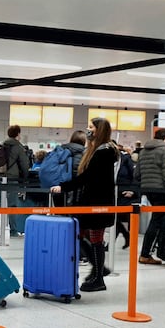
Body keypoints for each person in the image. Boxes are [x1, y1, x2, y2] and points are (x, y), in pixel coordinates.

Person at [51, 117, 118, 292]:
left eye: (91, 127)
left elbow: (88, 177)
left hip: (98, 203)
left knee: (95, 237)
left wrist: (63, 187)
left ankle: (98, 277)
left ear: (100, 130)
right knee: (82, 234)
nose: (88, 130)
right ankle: (99, 270)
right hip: (93, 201)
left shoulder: (103, 152)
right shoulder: (99, 150)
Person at [135, 128, 165, 264]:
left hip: (148, 190)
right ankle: (146, 254)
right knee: (157, 221)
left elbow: (137, 174)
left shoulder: (143, 151)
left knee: (158, 220)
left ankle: (153, 252)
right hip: (162, 191)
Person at [0, 125, 30, 237]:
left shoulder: (2, 145)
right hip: (12, 178)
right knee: (12, 204)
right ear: (18, 134)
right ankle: (13, 230)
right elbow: (24, 164)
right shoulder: (18, 147)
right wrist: (25, 178)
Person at [114, 142, 137, 250]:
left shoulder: (126, 160)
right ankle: (126, 236)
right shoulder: (111, 161)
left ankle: (129, 238)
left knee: (123, 219)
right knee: (115, 218)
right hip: (116, 194)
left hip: (126, 194)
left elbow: (135, 176)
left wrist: (132, 191)